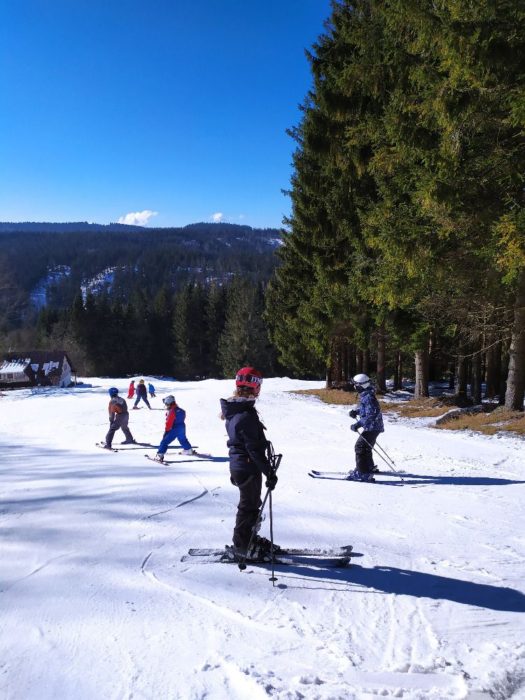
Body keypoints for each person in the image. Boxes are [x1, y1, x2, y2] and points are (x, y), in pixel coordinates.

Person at [219, 367, 278, 561]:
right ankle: (242, 546)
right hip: (247, 465)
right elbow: (253, 448)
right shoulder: (245, 415)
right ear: (256, 387)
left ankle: (249, 539)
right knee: (249, 506)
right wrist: (269, 472)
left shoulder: (240, 410)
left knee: (251, 504)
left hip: (242, 465)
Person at [347, 373, 384, 482]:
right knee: (366, 447)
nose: (354, 387)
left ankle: (362, 473)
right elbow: (367, 410)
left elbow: (371, 414)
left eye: (356, 385)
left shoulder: (368, 397)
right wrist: (356, 412)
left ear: (361, 385)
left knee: (360, 447)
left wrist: (358, 425)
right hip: (374, 427)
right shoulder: (367, 394)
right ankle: (368, 467)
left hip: (372, 427)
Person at [154, 395, 195, 461]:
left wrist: (166, 431)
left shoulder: (172, 411)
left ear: (169, 403)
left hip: (174, 428)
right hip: (182, 426)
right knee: (182, 439)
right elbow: (182, 418)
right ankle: (188, 450)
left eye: (166, 404)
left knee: (165, 441)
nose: (166, 406)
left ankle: (160, 455)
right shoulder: (181, 410)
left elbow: (169, 422)